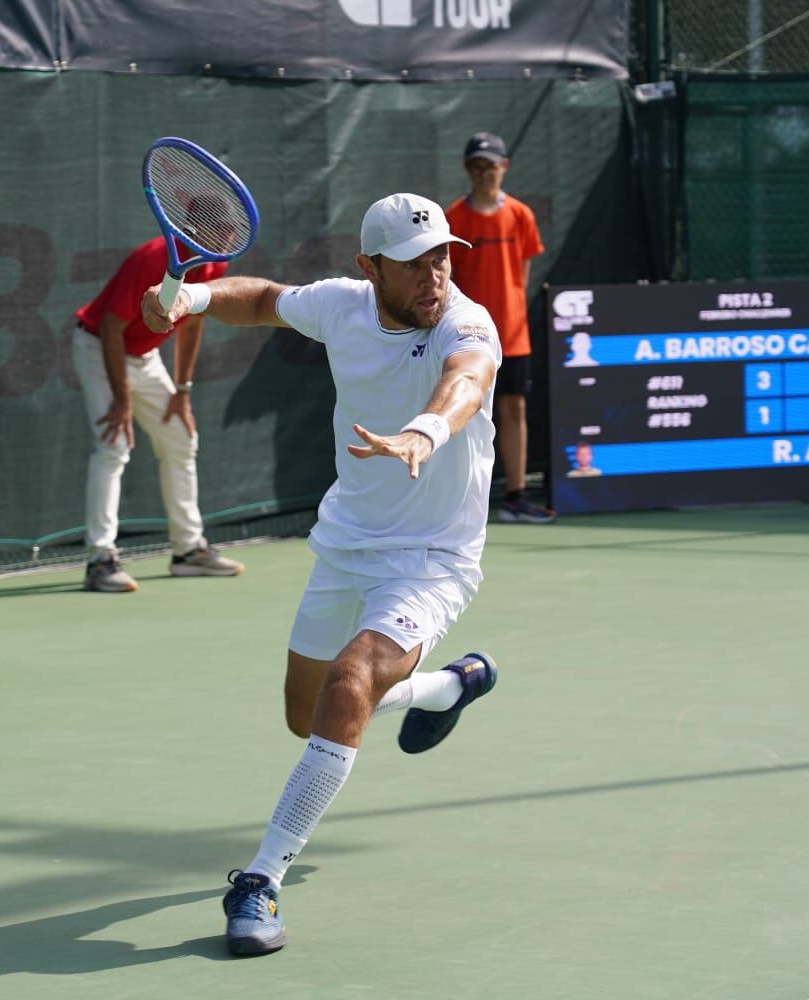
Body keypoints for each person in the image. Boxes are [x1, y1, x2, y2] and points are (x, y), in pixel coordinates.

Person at [141, 192, 503, 957]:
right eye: (414, 264)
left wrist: (424, 431)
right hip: (346, 543)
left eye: (443, 256)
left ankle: (260, 877)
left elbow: (468, 380)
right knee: (308, 716)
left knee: (351, 679)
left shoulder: (466, 322)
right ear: (370, 267)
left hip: (432, 558)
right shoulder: (341, 306)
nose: (435, 275)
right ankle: (447, 687)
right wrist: (190, 298)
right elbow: (262, 299)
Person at [72, 231, 244, 592]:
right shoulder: (152, 257)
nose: (226, 238)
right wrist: (122, 399)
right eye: (219, 228)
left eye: (230, 231)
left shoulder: (216, 262)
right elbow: (111, 326)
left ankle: (188, 551)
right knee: (113, 444)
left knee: (180, 438)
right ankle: (100, 560)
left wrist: (182, 390)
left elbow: (193, 321)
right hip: (99, 348)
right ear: (194, 225)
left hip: (144, 357)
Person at [446, 131, 556, 524]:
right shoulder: (454, 218)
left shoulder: (521, 215)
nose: (483, 174)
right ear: (467, 170)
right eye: (476, 167)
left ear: (504, 167)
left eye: (490, 167)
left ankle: (515, 496)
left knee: (513, 408)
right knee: (462, 408)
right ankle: (456, 501)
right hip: (466, 337)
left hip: (512, 335)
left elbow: (520, 277)